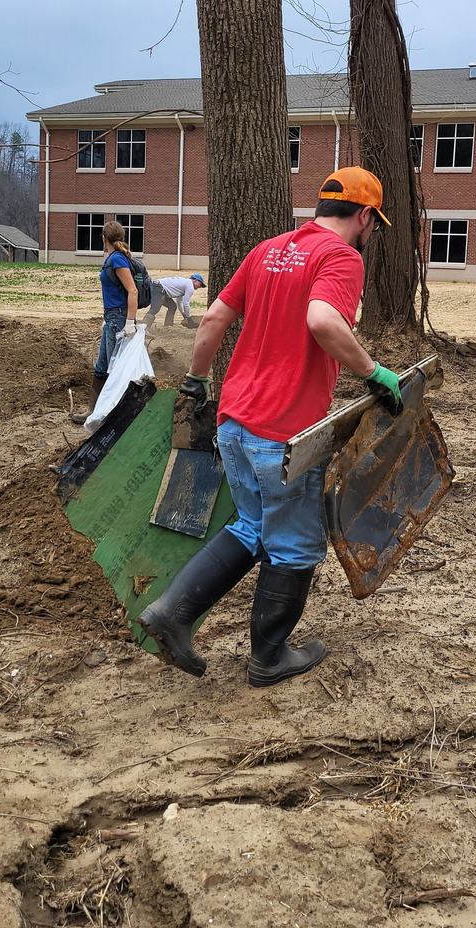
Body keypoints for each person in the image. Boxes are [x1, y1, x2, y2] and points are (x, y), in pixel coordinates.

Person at [138, 167, 402, 688]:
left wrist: (195, 380)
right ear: (366, 217)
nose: (372, 235)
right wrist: (374, 373)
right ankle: (269, 657)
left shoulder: (268, 249)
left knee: (253, 528)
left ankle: (171, 614)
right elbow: (324, 321)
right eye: (375, 225)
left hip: (234, 422)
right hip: (282, 435)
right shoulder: (340, 258)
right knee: (297, 547)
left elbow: (213, 319)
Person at [71, 220, 138, 424]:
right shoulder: (114, 258)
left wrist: (129, 323)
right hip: (112, 318)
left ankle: (112, 415)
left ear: (103, 238)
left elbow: (132, 290)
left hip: (118, 318)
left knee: (114, 370)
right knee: (101, 367)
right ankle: (93, 412)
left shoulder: (117, 260)